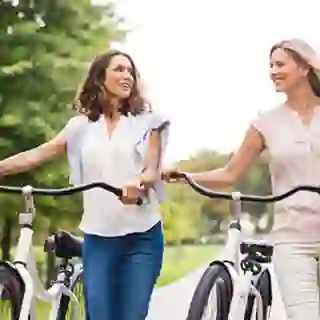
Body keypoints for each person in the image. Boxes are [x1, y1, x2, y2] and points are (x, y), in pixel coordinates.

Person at [0, 49, 170, 320]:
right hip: (99, 238)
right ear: (100, 77)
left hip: (142, 238)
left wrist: (137, 184)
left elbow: (151, 171)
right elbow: (39, 154)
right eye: (119, 69)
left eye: (130, 71)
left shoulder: (149, 123)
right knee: (99, 315)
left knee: (131, 316)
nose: (127, 75)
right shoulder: (80, 127)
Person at [162, 38, 320, 320]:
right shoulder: (266, 123)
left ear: (305, 67)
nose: (272, 71)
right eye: (270, 65)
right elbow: (229, 174)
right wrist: (185, 177)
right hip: (293, 237)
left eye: (280, 64)